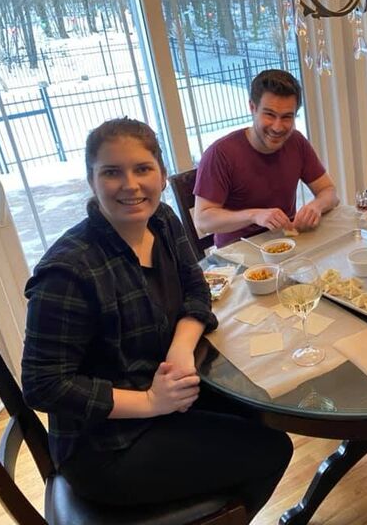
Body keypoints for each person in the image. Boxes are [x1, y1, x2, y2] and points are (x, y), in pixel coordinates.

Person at [22, 118, 293, 516]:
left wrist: (182, 348)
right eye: (111, 172)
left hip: (168, 395)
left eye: (142, 169)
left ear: (162, 175)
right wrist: (151, 401)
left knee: (263, 409)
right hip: (107, 447)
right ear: (91, 181)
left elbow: (197, 289)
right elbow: (43, 385)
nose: (130, 185)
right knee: (273, 449)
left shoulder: (162, 221)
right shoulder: (68, 271)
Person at [194, 69, 339, 247]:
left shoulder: (297, 142)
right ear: (252, 108)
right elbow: (202, 220)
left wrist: (316, 206)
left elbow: (330, 192)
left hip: (286, 243)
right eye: (269, 115)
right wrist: (254, 215)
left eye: (287, 117)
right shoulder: (220, 154)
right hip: (237, 253)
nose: (278, 127)